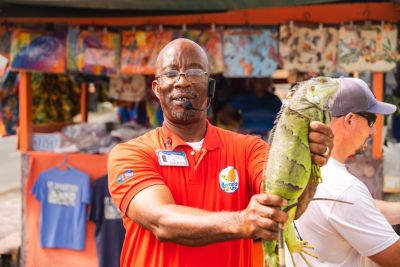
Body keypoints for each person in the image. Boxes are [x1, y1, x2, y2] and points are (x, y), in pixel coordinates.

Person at [107, 38, 334, 267]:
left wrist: (310, 161)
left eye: (194, 72)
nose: (182, 81)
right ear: (157, 88)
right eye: (171, 73)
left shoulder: (249, 149)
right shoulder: (130, 154)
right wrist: (242, 222)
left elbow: (283, 205)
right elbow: (160, 221)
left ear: (210, 86)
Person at [285, 77, 400, 267]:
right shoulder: (344, 188)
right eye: (371, 120)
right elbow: (395, 257)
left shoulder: (306, 167)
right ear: (350, 120)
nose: (373, 131)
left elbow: (359, 210)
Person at [217, 78, 282, 135]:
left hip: (272, 137)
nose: (264, 82)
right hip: (247, 136)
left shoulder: (274, 99)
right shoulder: (243, 98)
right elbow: (222, 113)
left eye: (266, 80)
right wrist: (237, 125)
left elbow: (284, 116)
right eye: (260, 79)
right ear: (253, 81)